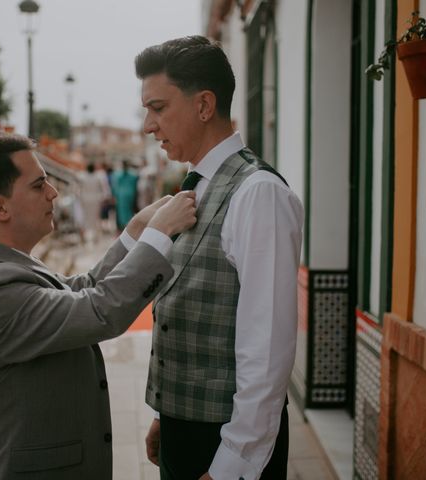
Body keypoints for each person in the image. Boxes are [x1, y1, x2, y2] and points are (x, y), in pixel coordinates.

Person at [0, 132, 197, 480]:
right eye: (38, 186)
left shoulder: (2, 265)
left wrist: (136, 231)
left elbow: (82, 291)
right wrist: (161, 234)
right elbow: (99, 310)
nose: (53, 193)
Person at [135, 36, 304, 480]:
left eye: (157, 108)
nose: (147, 126)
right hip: (185, 428)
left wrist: (233, 464)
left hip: (225, 445)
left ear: (204, 105)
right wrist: (167, 415)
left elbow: (266, 351)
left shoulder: (259, 193)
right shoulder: (199, 184)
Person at [110, 159, 139, 231]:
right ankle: (128, 227)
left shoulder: (117, 174)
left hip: (121, 195)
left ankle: (125, 227)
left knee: (122, 212)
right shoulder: (134, 174)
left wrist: (114, 195)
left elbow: (115, 187)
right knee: (128, 211)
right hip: (129, 194)